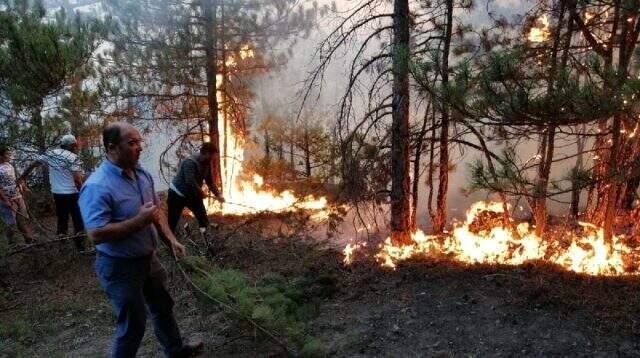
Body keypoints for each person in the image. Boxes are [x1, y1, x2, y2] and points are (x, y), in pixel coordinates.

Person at [78, 122, 203, 358]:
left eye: (140, 142)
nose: (140, 148)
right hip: (120, 267)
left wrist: (171, 239)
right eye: (132, 143)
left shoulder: (142, 175)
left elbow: (156, 212)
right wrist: (138, 221)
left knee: (163, 307)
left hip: (149, 260)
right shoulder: (97, 186)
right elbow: (96, 234)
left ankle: (175, 351)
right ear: (112, 147)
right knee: (133, 324)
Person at [19, 134, 85, 251]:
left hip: (58, 193)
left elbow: (34, 164)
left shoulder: (51, 153)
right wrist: (84, 193)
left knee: (62, 219)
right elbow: (77, 180)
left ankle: (62, 245)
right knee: (77, 219)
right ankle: (80, 247)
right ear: (71, 145)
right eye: (75, 145)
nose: (76, 147)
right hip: (72, 193)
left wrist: (23, 177)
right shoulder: (73, 157)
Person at [168, 142, 224, 235]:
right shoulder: (189, 162)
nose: (212, 159)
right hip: (177, 194)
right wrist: (201, 192)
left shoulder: (207, 163)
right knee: (172, 223)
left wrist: (218, 195)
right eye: (211, 156)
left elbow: (210, 182)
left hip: (192, 194)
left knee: (203, 218)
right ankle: (170, 243)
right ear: (205, 153)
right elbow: (190, 181)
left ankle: (206, 239)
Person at [0, 146, 34, 245]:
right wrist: (5, 200)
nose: (9, 156)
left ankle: (28, 239)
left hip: (18, 196)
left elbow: (17, 179)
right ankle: (11, 243)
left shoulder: (9, 165)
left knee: (22, 219)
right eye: (7, 154)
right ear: (1, 156)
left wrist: (24, 187)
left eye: (9, 154)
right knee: (11, 222)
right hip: (7, 199)